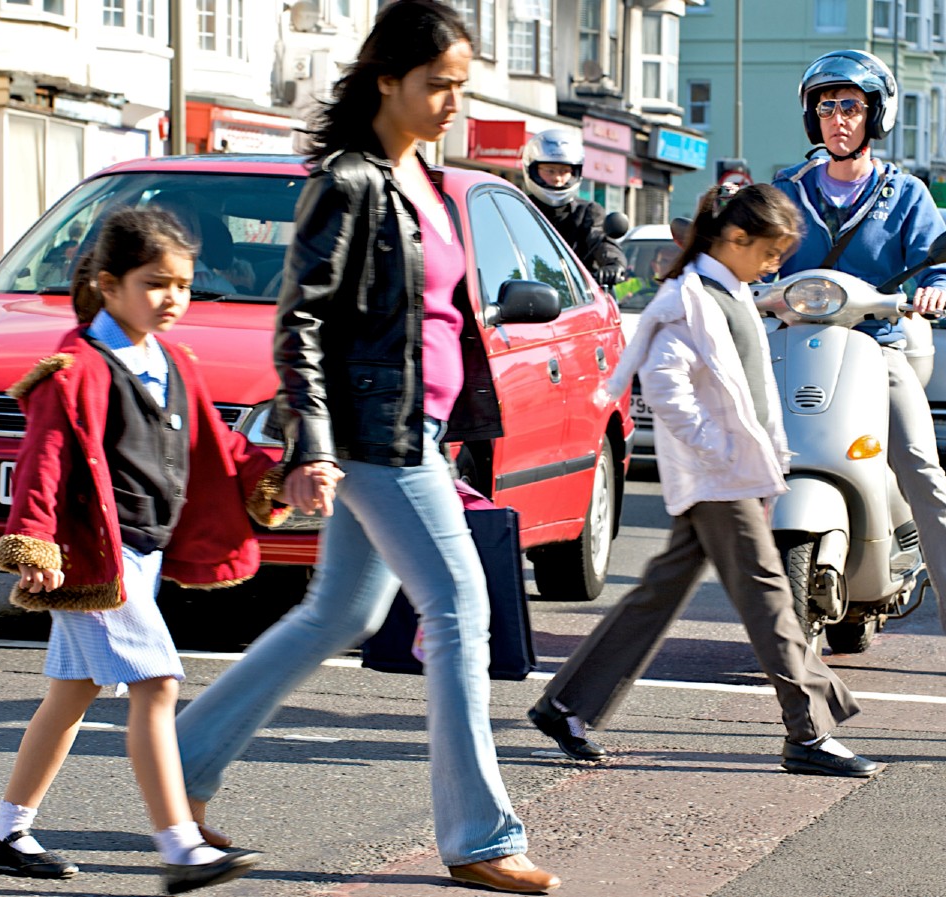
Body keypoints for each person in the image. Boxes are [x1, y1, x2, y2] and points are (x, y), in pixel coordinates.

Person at [170, 3, 562, 893]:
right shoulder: (346, 181)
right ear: (388, 79)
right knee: (460, 607)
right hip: (373, 434)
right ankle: (480, 836)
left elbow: (435, 319)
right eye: (438, 85)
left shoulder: (430, 178)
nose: (453, 101)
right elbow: (300, 320)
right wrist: (312, 444)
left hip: (417, 430)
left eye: (463, 86)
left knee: (340, 612)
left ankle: (180, 764)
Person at [0, 207, 301, 893]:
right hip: (93, 559)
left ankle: (7, 830)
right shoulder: (75, 369)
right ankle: (181, 845)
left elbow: (219, 446)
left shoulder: (174, 359)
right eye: (156, 283)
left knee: (73, 692)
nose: (173, 299)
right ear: (107, 283)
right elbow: (43, 461)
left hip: (144, 552)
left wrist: (266, 478)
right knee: (156, 684)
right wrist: (34, 545)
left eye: (183, 285)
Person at [528, 182, 880, 779]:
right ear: (735, 239)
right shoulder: (687, 299)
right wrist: (724, 452)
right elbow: (666, 388)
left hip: (736, 470)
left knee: (659, 594)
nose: (776, 265)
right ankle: (808, 731)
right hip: (721, 477)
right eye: (770, 253)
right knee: (769, 598)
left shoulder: (734, 289)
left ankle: (567, 705)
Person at [772, 49, 946, 680]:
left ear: (876, 115)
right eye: (827, 106)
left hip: (877, 349)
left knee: (924, 475)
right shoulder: (785, 192)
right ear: (810, 117)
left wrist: (936, 294)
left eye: (851, 106)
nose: (838, 119)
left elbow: (945, 271)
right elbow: (751, 258)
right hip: (792, 348)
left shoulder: (906, 194)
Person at [520, 128, 628, 287]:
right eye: (550, 171)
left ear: (575, 172)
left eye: (565, 172)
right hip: (525, 292)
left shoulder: (588, 212)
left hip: (579, 294)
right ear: (532, 170)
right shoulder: (520, 208)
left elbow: (600, 240)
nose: (557, 178)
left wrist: (613, 264)